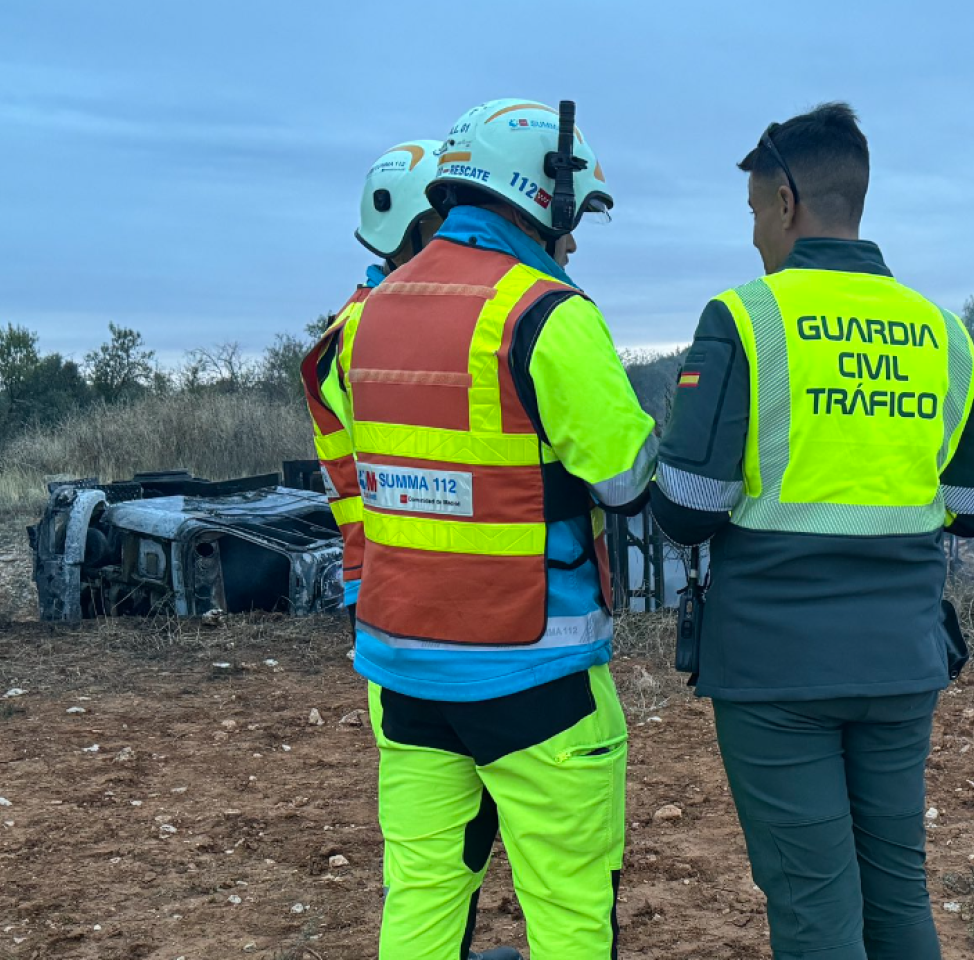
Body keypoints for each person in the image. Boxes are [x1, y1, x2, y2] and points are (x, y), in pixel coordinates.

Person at [650, 102, 974, 960]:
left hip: (776, 672)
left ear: (784, 202)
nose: (756, 241)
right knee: (896, 890)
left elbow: (688, 508)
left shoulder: (744, 317)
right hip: (901, 661)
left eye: (753, 217)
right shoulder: (942, 333)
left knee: (813, 907)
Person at [311, 98, 656, 959]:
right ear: (542, 193)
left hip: (404, 673)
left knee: (423, 903)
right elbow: (624, 479)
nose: (573, 240)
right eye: (574, 218)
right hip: (538, 668)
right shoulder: (545, 312)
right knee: (570, 909)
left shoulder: (358, 323)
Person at [302, 139, 445, 622]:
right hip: (401, 567)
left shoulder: (355, 323)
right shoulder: (378, 329)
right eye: (447, 221)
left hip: (379, 567)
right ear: (410, 229)